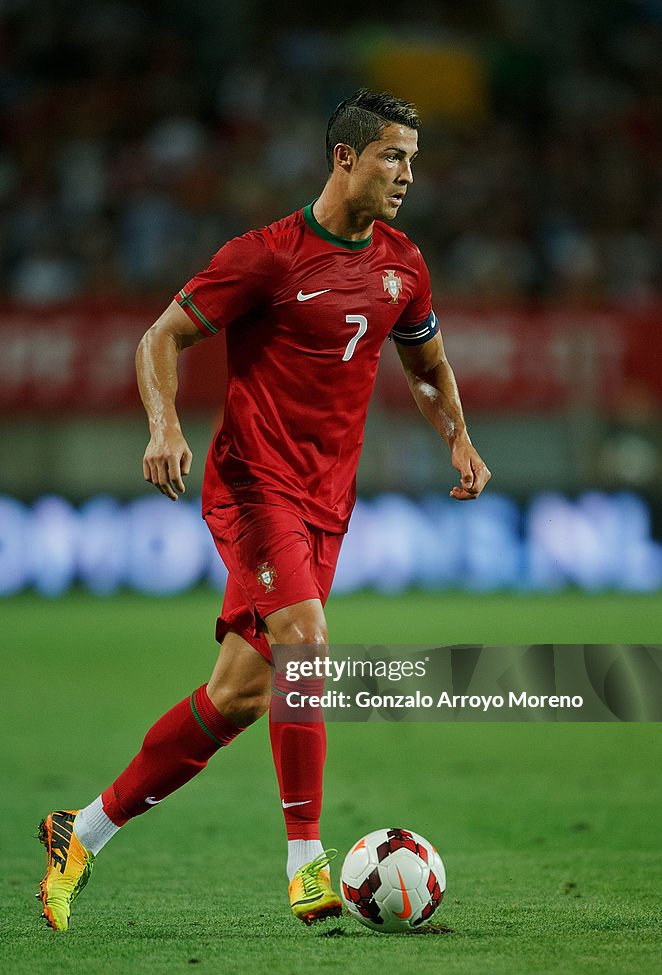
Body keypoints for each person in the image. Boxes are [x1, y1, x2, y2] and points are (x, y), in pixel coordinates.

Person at [37, 89, 491, 932]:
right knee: (307, 647)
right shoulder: (268, 256)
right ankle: (304, 861)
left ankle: (81, 832)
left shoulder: (403, 262)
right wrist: (164, 425)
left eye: (414, 161)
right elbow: (159, 337)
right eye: (393, 156)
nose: (406, 175)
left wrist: (457, 440)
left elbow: (426, 366)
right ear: (344, 157)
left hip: (327, 502)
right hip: (254, 484)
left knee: (242, 696)